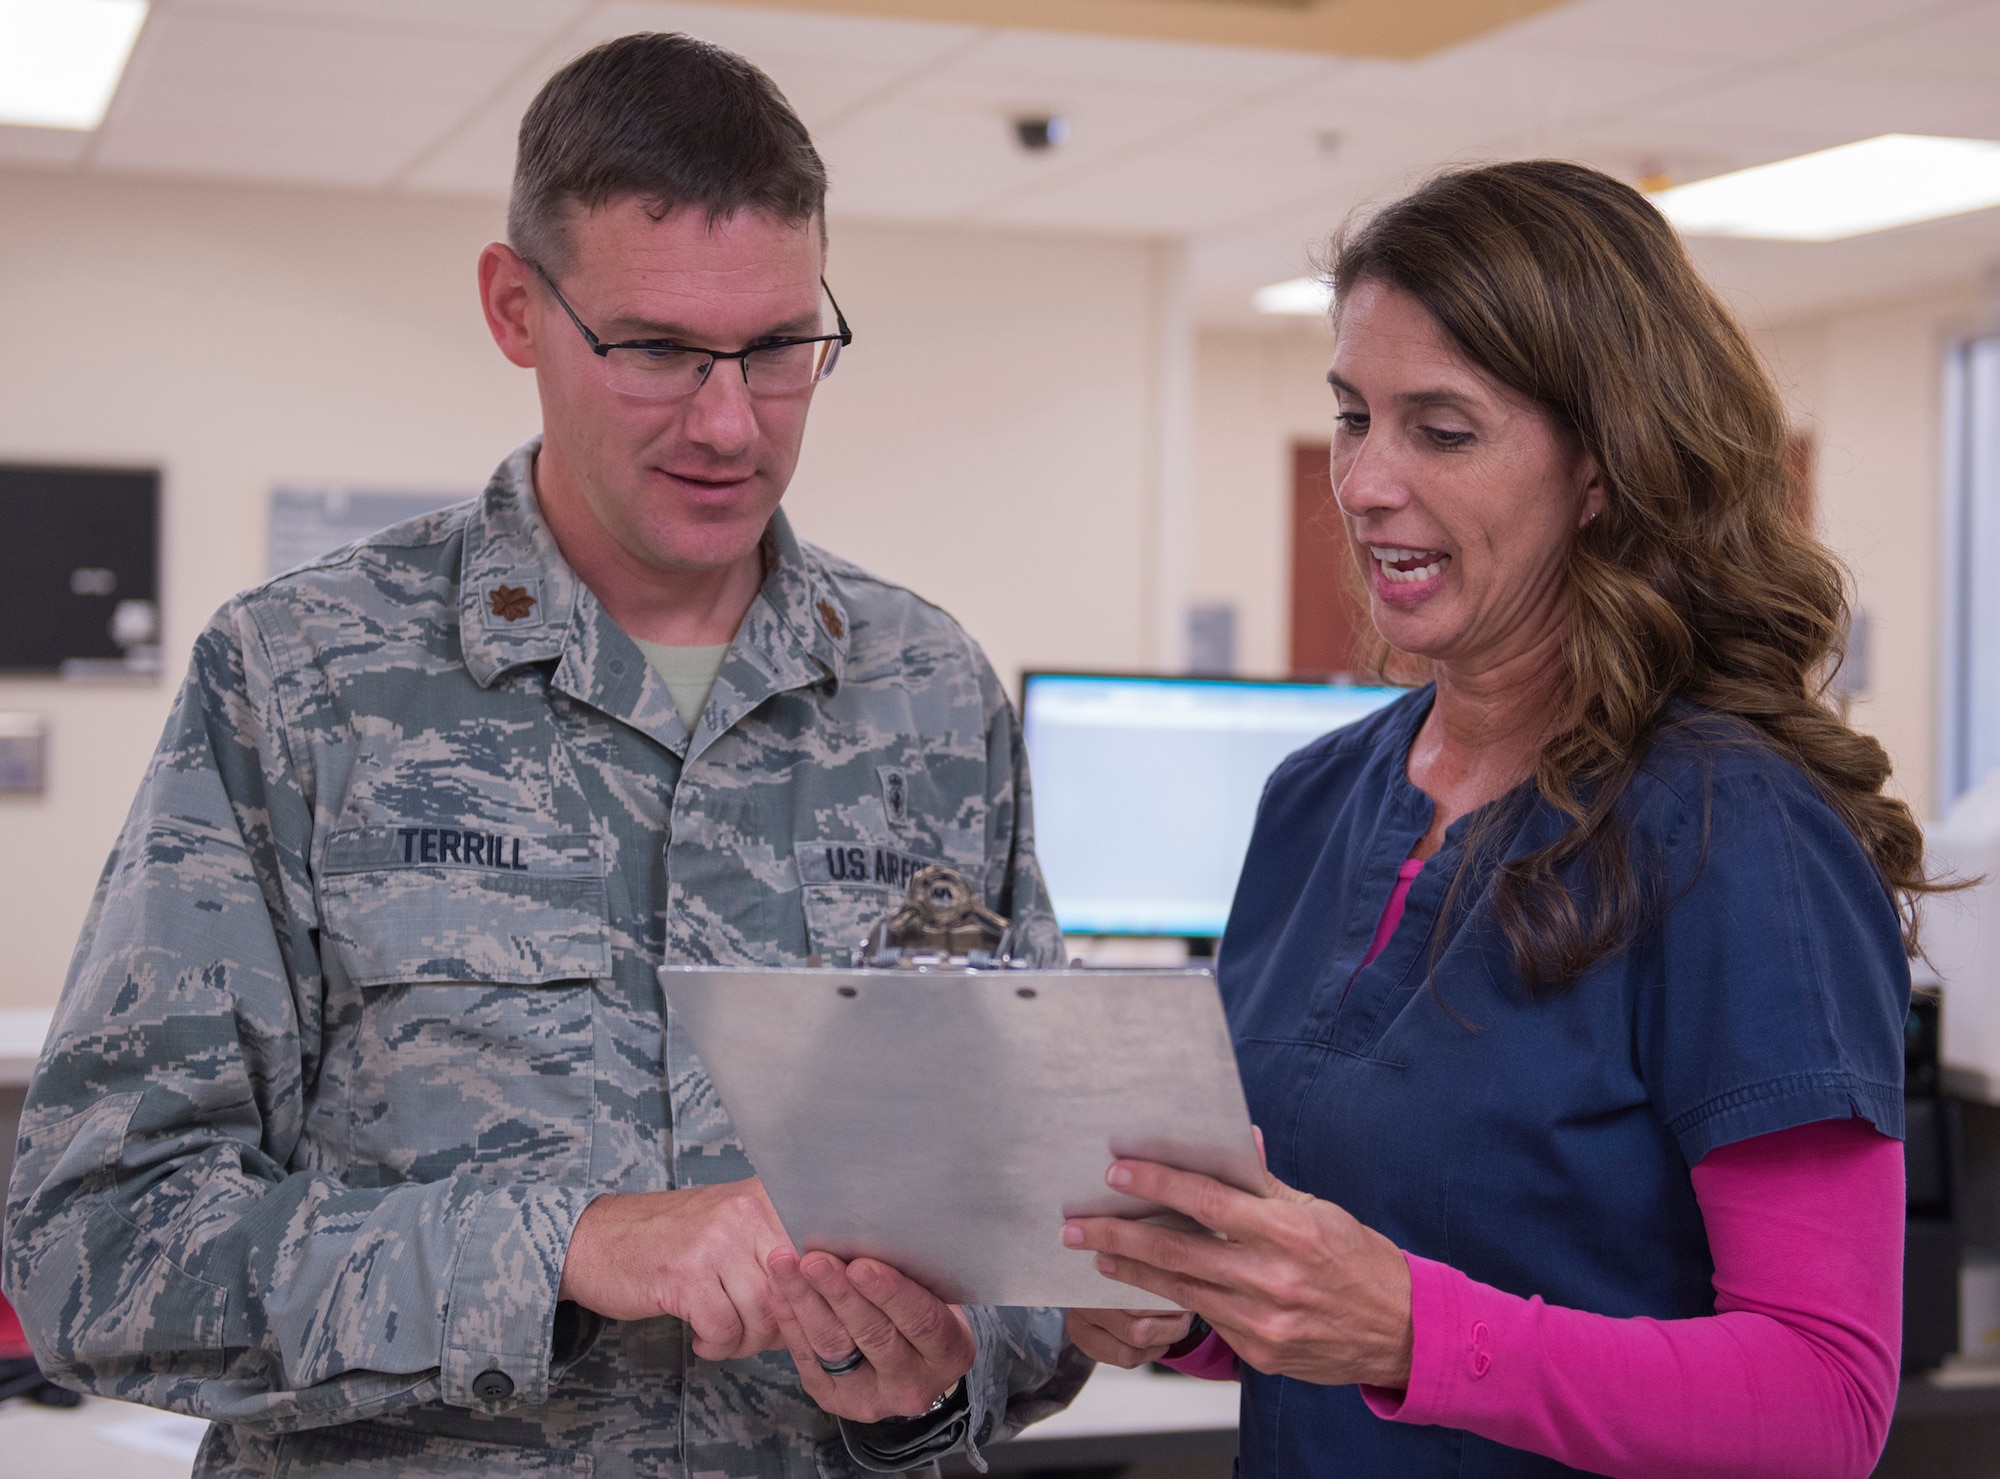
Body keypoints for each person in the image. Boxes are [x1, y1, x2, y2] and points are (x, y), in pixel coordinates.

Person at [3, 32, 1083, 1479]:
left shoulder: (928, 691)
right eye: (653, 350)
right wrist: (564, 1248)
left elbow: (1052, 1229)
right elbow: (99, 1250)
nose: (727, 421)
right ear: (517, 308)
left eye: (778, 350)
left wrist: (947, 1374)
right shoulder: (305, 679)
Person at [1064, 160, 1915, 1478]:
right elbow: (1319, 1292)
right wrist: (1186, 1308)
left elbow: (1825, 1402)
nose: (1361, 483)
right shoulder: (1316, 800)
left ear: (1601, 469)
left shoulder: (1734, 832)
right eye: (1354, 419)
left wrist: (1416, 1334)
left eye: (1441, 430)